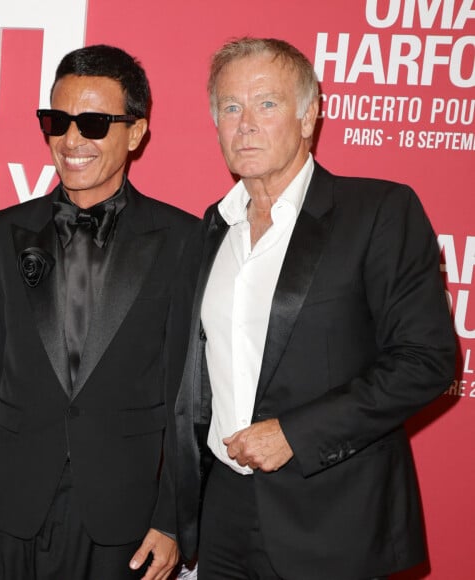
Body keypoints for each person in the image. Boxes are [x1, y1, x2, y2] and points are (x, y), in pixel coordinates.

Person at [169, 38, 456, 579]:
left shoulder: (377, 212)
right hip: (222, 514)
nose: (245, 123)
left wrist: (294, 435)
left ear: (309, 118)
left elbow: (427, 360)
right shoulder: (211, 228)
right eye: (230, 108)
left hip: (332, 515)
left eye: (266, 103)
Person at [0, 44, 197, 580]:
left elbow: (185, 395)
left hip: (121, 512)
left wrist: (172, 519)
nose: (71, 140)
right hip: (9, 503)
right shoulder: (5, 229)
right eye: (57, 121)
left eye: (94, 123)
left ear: (136, 131)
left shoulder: (181, 239)